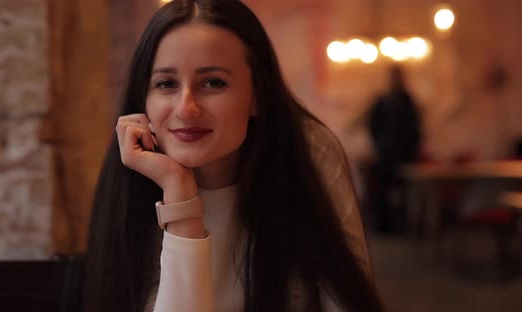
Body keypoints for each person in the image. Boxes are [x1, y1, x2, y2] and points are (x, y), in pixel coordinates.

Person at [76, 1, 385, 311]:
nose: (186, 108)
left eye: (213, 82)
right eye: (166, 84)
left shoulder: (309, 151)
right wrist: (179, 192)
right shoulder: (135, 173)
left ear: (258, 97)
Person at [365, 65, 422, 234]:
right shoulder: (383, 101)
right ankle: (384, 226)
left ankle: (403, 226)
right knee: (382, 193)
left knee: (406, 194)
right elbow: (373, 126)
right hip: (386, 155)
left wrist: (411, 149)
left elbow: (414, 128)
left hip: (404, 156)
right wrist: (380, 146)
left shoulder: (407, 101)